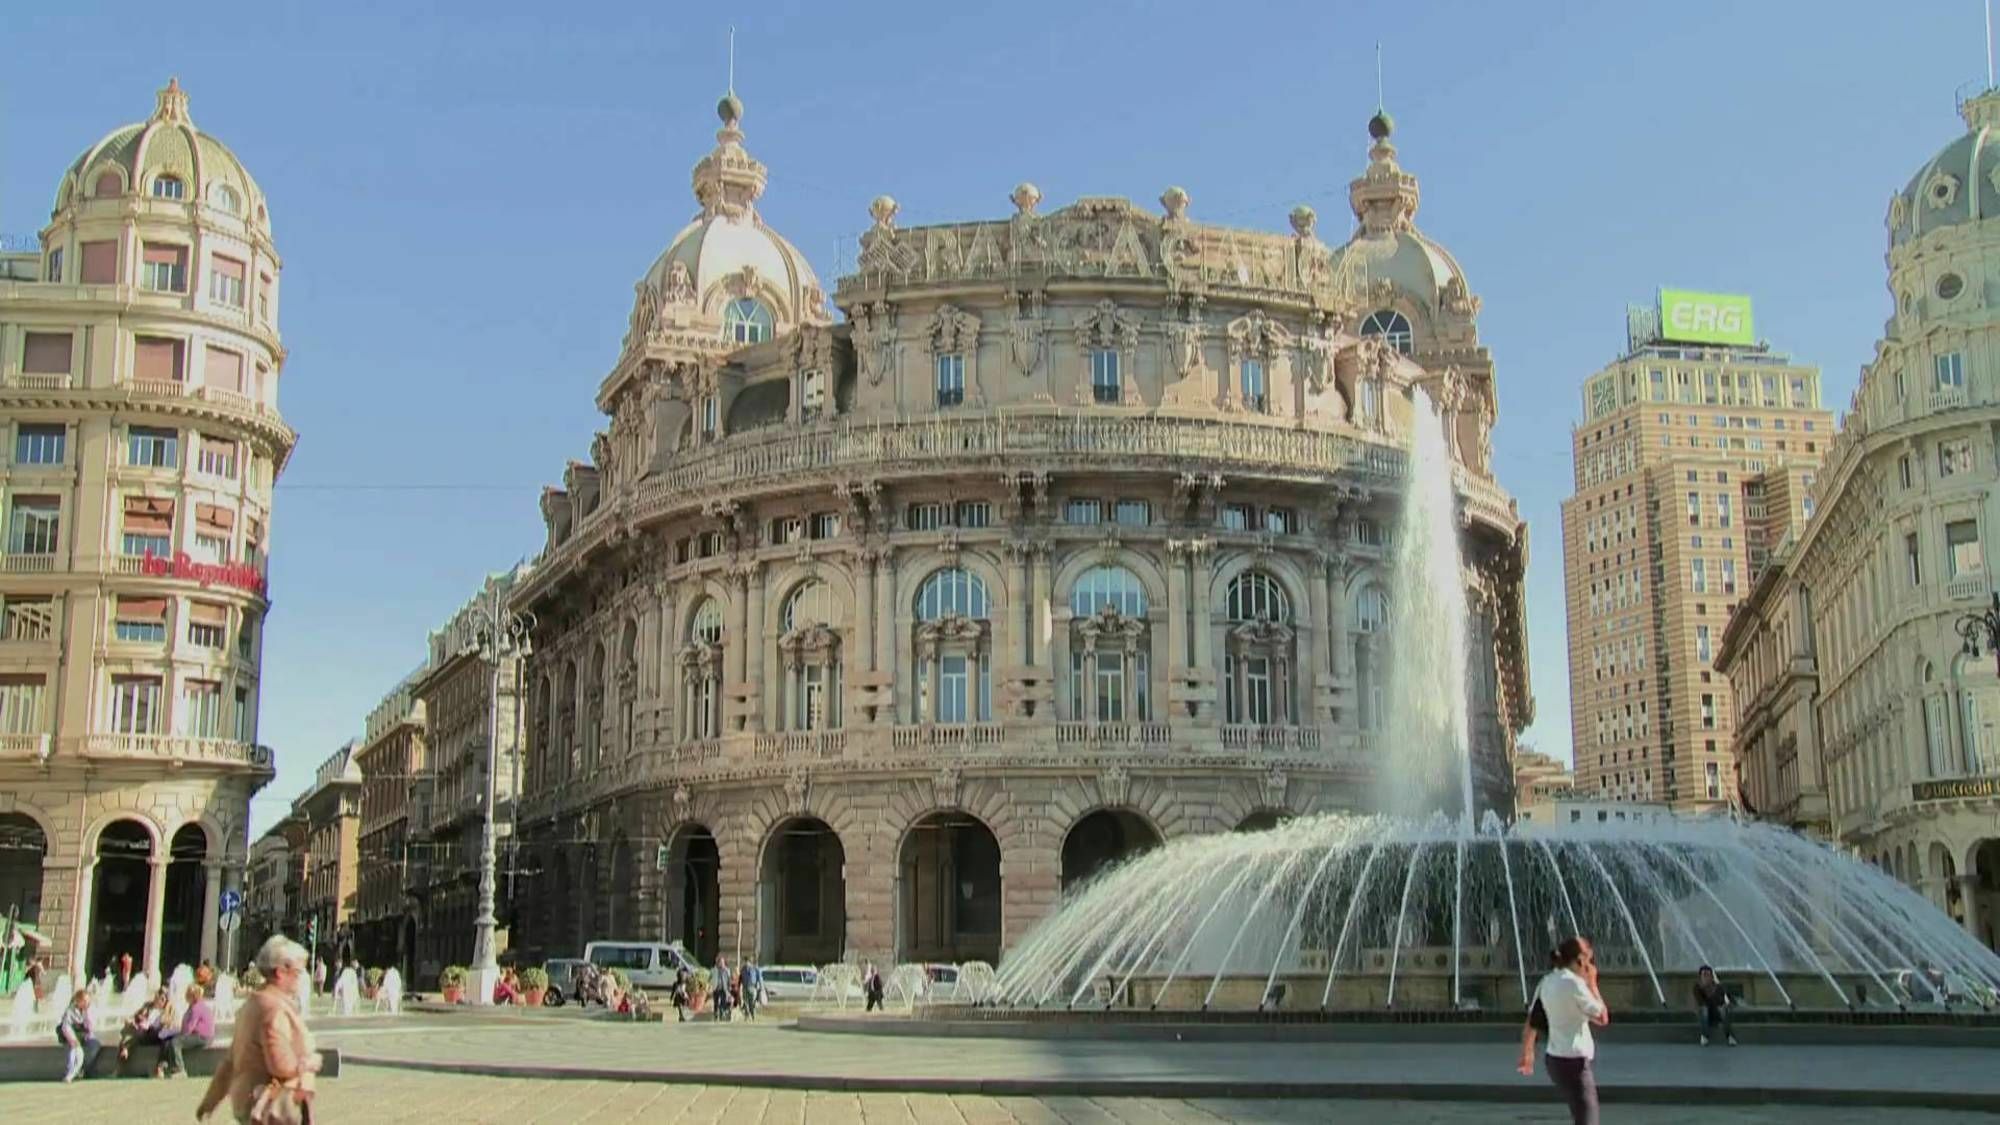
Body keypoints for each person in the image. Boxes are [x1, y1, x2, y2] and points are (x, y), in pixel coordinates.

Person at [199, 935, 323, 1124]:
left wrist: (210, 1102)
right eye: (298, 972)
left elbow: (230, 1062)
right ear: (281, 972)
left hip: (248, 1103)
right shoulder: (273, 1009)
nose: (301, 978)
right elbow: (281, 1065)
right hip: (273, 1110)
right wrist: (309, 1062)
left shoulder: (252, 1005)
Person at [1516, 936, 1609, 1125]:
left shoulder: (1547, 981)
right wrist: (1592, 983)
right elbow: (1602, 1017)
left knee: (1579, 1113)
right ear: (1581, 960)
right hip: (1575, 1062)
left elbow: (1533, 1020)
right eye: (1589, 961)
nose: (1589, 966)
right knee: (1588, 1119)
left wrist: (1527, 1053)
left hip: (1555, 1061)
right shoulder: (1575, 984)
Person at [162, 983, 215, 1078]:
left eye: (187, 995)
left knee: (176, 1042)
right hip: (198, 1035)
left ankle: (180, 1069)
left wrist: (181, 1034)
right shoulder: (193, 1007)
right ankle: (170, 1068)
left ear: (193, 996)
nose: (185, 997)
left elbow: (190, 1027)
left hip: (203, 1037)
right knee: (170, 1041)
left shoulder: (197, 1008)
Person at [118, 986, 172, 1066]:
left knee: (140, 1032)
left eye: (162, 999)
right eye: (157, 997)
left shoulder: (167, 1010)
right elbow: (135, 1016)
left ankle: (125, 1049)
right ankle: (124, 1052)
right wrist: (131, 1021)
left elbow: (165, 1025)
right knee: (128, 1031)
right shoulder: (147, 1006)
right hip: (140, 1031)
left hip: (154, 1034)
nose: (158, 1000)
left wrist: (146, 1026)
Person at [57, 988, 101, 1083]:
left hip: (85, 1036)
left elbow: (91, 1026)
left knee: (95, 1045)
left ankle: (84, 1068)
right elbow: (65, 1027)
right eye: (85, 1000)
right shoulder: (70, 1011)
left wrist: (87, 1013)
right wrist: (73, 1040)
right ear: (78, 1001)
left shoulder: (90, 1009)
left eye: (88, 1000)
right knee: (77, 1051)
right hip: (71, 1036)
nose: (87, 1002)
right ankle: (70, 1074)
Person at [1694, 965, 1736, 1046]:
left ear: (1712, 976)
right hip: (1704, 1014)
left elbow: (1726, 999)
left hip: (1716, 1012)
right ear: (1700, 977)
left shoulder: (1718, 987)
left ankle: (1730, 1036)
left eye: (1708, 975)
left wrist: (1726, 1004)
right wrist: (1706, 990)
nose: (1706, 977)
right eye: (1704, 975)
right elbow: (1700, 1002)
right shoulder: (1697, 987)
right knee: (1704, 1009)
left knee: (1722, 1010)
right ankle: (1704, 1036)